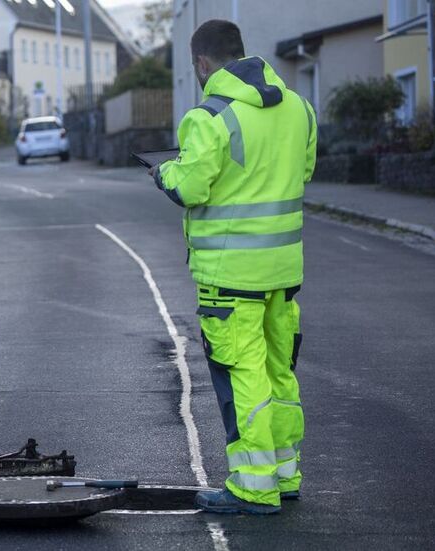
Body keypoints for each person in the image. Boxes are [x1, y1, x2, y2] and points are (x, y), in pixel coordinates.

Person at [150, 20, 316, 514]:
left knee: (242, 376)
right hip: (283, 272)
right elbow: (301, 172)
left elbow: (191, 188)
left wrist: (165, 172)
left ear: (202, 63)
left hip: (229, 277)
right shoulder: (299, 109)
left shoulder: (208, 117)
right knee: (279, 373)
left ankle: (253, 487)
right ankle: (284, 475)